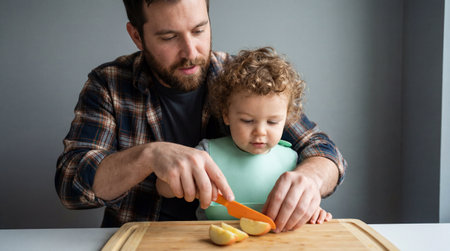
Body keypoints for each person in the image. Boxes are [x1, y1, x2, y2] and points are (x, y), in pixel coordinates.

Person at [55, 0, 346, 233]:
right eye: (169, 37)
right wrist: (148, 156)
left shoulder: (241, 79)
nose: (191, 52)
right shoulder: (108, 84)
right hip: (142, 239)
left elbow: (323, 150)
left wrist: (310, 178)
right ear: (137, 36)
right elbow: (71, 184)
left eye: (199, 30)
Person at [156, 47, 332, 225]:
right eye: (247, 121)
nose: (260, 132)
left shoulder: (293, 161)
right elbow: (162, 187)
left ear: (287, 119)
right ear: (226, 115)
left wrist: (312, 210)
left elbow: (302, 203)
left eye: (272, 122)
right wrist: (177, 181)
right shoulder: (206, 153)